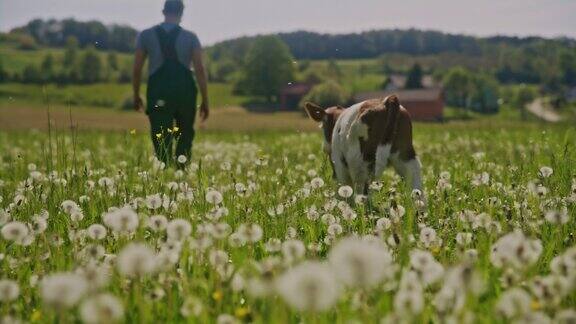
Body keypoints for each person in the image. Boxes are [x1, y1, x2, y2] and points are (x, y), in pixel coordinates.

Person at [132, 0, 209, 165]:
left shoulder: (146, 35)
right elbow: (200, 70)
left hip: (158, 92)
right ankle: (181, 179)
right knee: (185, 136)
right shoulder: (191, 37)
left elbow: (137, 69)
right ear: (182, 13)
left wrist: (136, 94)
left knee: (161, 138)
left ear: (163, 11)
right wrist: (205, 101)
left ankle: (163, 177)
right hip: (185, 93)